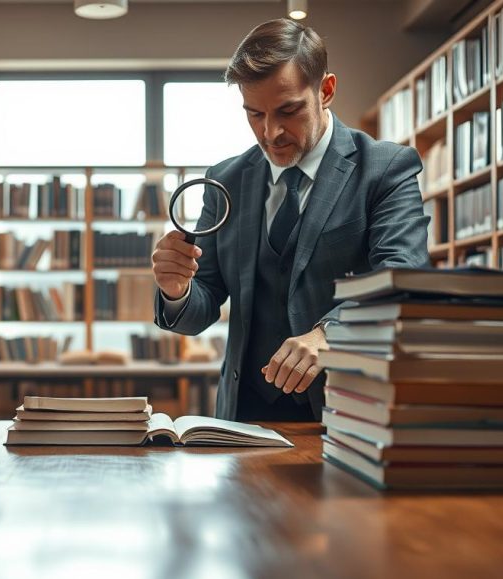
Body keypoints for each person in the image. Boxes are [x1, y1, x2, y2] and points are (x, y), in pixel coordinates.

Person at [151, 18, 429, 422]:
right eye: (254, 114)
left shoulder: (384, 169)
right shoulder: (224, 179)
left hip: (351, 416)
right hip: (242, 421)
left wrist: (328, 334)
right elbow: (203, 304)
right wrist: (177, 289)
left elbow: (403, 277)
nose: (271, 132)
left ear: (326, 90)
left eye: (289, 110)